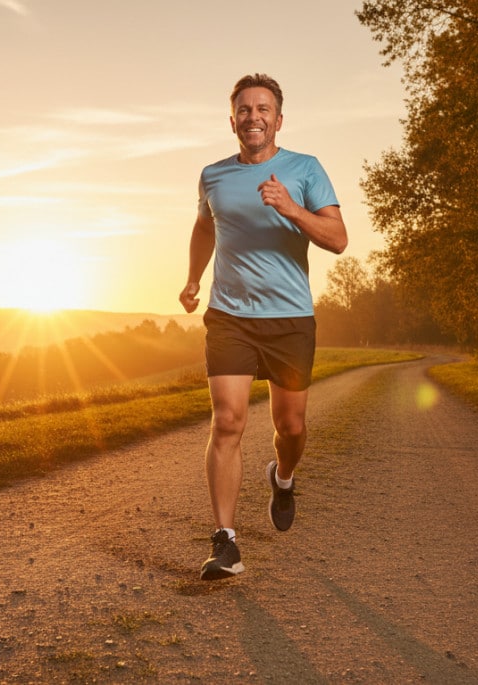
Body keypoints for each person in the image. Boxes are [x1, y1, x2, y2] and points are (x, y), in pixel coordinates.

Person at [180, 73, 348, 580]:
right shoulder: (213, 176)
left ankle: (284, 475)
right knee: (228, 420)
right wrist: (191, 280)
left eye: (263, 108)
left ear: (278, 118)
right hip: (230, 316)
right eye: (245, 109)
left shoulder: (305, 169)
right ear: (232, 120)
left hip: (290, 320)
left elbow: (338, 239)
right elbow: (205, 226)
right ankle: (226, 542)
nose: (254, 117)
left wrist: (292, 208)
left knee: (290, 427)